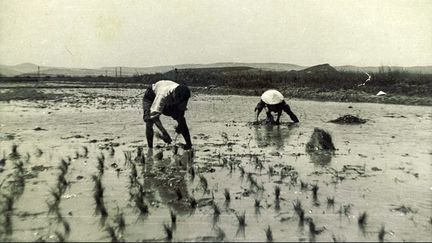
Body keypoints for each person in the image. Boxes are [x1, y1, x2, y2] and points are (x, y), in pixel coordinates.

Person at [143, 80, 192, 150]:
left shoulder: (184, 93)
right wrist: (164, 133)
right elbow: (154, 116)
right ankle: (150, 148)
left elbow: (181, 110)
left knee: (181, 119)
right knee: (149, 120)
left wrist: (180, 125)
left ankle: (189, 144)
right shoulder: (162, 95)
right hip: (151, 96)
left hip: (169, 98)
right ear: (174, 95)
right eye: (178, 102)